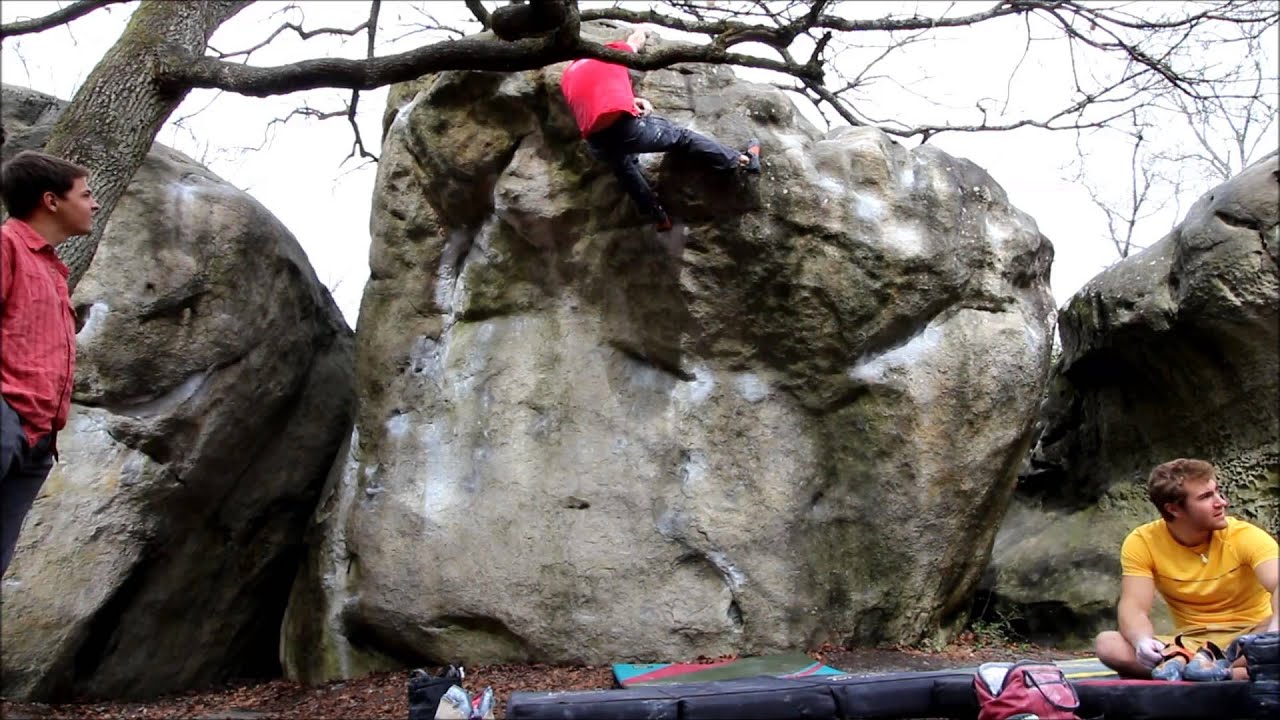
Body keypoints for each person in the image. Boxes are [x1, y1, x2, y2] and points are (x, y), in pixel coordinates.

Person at [1, 150, 99, 576]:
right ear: (51, 201)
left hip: (38, 440)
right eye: (86, 194)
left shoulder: (53, 270)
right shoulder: (6, 246)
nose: (95, 203)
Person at [560, 26, 761, 232]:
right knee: (681, 136)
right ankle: (742, 160)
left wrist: (632, 100)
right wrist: (641, 28)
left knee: (625, 169)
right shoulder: (609, 53)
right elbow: (636, 41)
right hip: (624, 128)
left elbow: (594, 97)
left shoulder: (567, 76)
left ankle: (659, 218)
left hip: (596, 140)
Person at [1094, 458, 1279, 681]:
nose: (1222, 502)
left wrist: (1273, 637)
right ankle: (1211, 669)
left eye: (1217, 491)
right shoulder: (1142, 541)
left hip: (1249, 637)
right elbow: (1134, 607)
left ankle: (1200, 668)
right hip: (1190, 642)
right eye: (1206, 497)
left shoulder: (1245, 536)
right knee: (1108, 644)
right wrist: (1142, 641)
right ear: (1173, 509)